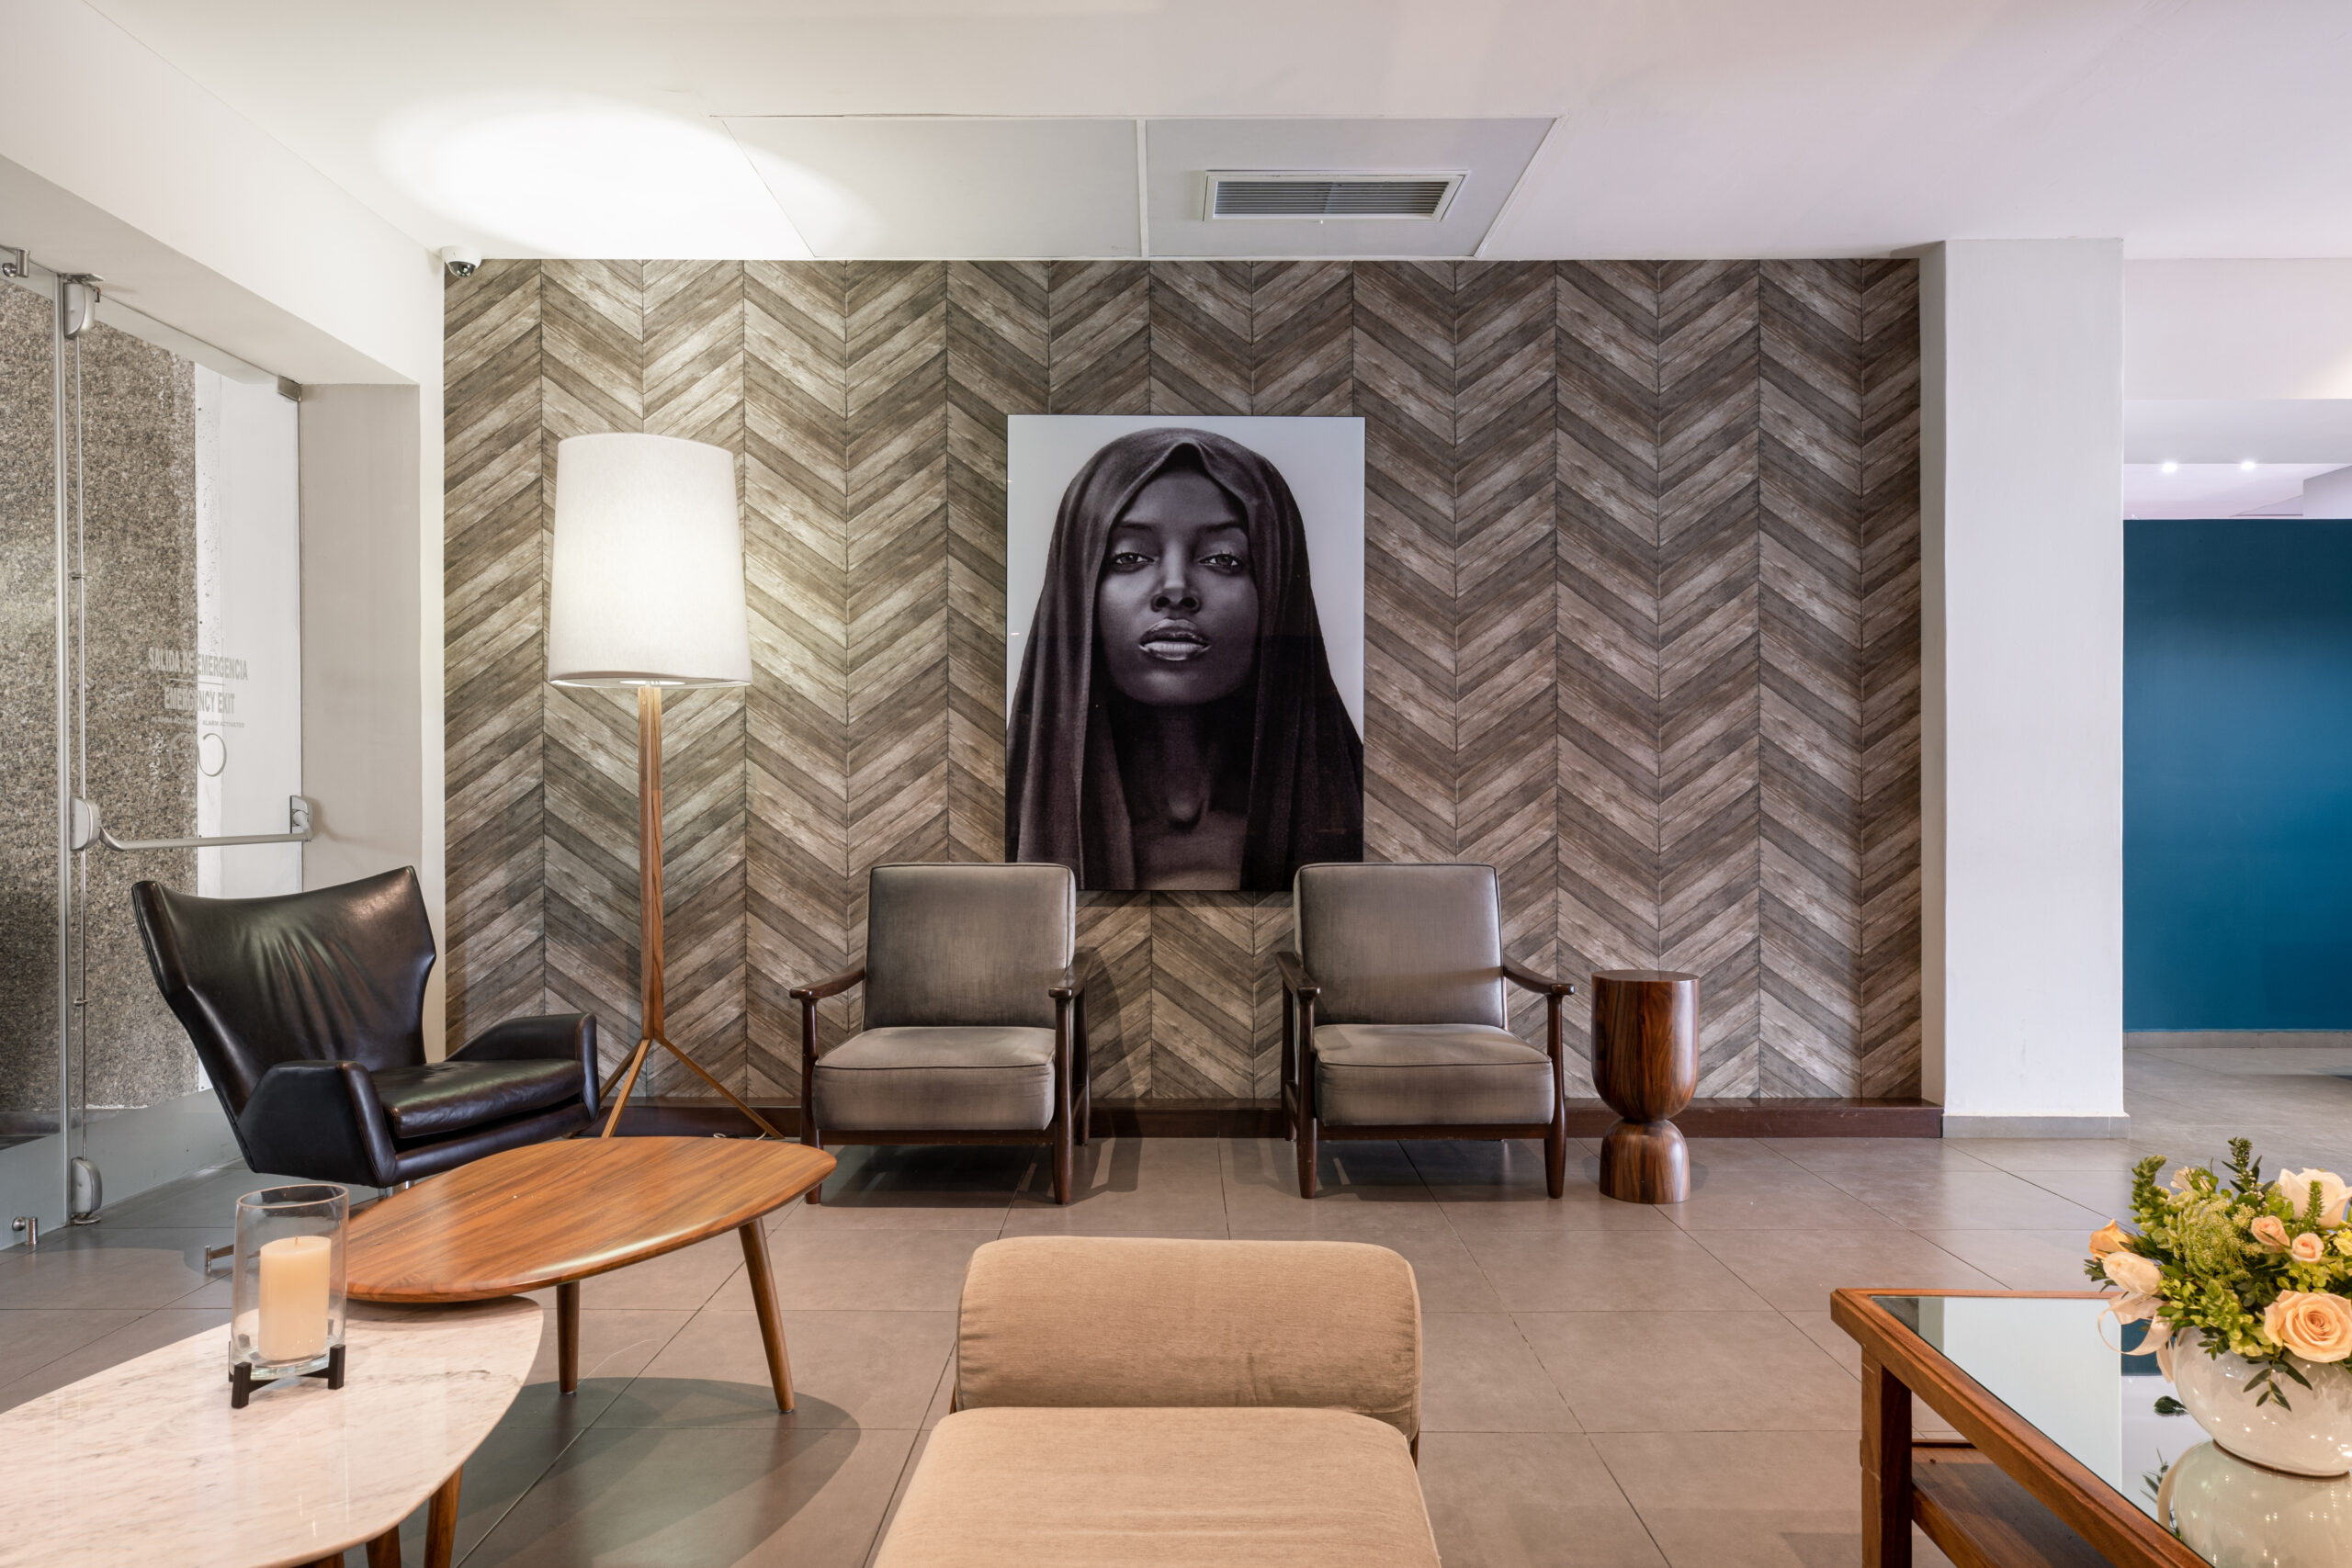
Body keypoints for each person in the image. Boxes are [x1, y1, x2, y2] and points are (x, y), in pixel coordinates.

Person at [1007, 425, 1363, 891]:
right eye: (1129, 557)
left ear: (1277, 590)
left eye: (1222, 559)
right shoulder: (1002, 819)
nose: (1175, 589)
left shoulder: (1359, 820)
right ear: (1077, 589)